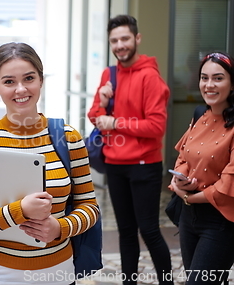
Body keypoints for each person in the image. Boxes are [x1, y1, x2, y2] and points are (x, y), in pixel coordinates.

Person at [0, 42, 100, 284]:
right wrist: (19, 211)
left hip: (58, 275)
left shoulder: (68, 137)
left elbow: (90, 208)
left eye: (29, 78)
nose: (20, 89)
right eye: (9, 81)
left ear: (41, 80)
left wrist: (59, 228)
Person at [87, 15, 173, 285]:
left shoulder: (150, 77)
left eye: (125, 38)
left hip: (144, 165)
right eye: (114, 40)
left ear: (137, 39)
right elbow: (94, 116)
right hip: (115, 164)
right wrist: (102, 102)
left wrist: (116, 123)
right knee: (125, 231)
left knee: (149, 230)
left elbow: (156, 127)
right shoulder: (108, 75)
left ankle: (167, 281)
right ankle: (129, 282)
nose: (120, 45)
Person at [170, 52, 234, 285]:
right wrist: (181, 180)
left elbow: (229, 182)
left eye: (218, 78)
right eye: (204, 78)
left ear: (232, 83)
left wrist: (188, 196)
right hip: (189, 219)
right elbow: (184, 156)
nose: (209, 85)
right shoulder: (200, 114)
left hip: (221, 221)